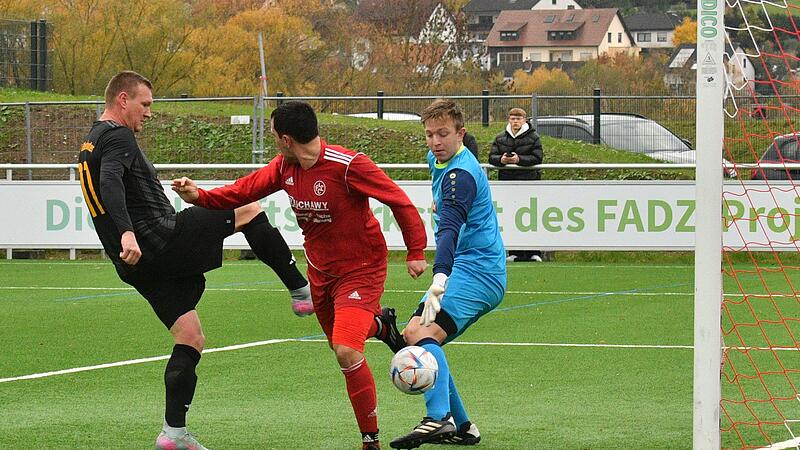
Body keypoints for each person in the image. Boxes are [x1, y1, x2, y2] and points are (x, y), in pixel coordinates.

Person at [171, 100, 429, 450]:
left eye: (275, 135)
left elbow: (398, 200)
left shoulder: (349, 165)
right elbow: (243, 191)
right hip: (321, 274)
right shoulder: (284, 167)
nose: (274, 141)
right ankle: (380, 325)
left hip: (361, 271)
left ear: (287, 139)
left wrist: (415, 251)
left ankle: (371, 441)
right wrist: (198, 195)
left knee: (346, 352)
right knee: (342, 344)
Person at [78, 71, 313, 450]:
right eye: (145, 104)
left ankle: (173, 435)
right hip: (159, 238)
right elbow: (109, 184)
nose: (149, 113)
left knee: (190, 337)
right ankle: (302, 291)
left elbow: (114, 183)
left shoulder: (91, 140)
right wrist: (127, 231)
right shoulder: (119, 135)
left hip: (133, 265)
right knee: (249, 208)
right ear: (123, 100)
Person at [378, 98, 507, 449]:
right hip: (472, 266)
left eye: (444, 134)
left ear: (460, 134)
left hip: (477, 270)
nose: (436, 141)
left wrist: (440, 276)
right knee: (413, 335)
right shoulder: (441, 160)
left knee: (421, 335)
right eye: (430, 134)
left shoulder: (458, 177)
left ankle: (440, 417)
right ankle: (462, 427)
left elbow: (449, 228)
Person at [488, 107, 544, 262]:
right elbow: (491, 157)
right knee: (512, 215)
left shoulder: (534, 138)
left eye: (518, 119)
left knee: (531, 216)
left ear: (524, 120)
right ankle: (514, 251)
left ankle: (534, 252)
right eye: (512, 119)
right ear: (509, 120)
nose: (515, 122)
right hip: (507, 183)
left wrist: (520, 160)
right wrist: (502, 160)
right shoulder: (500, 138)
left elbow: (538, 157)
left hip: (529, 181)